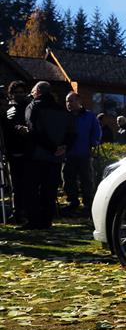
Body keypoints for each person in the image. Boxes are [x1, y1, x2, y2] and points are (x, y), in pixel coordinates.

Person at [24, 81, 74, 230]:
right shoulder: (62, 110)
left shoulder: (33, 106)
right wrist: (64, 147)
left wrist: (52, 148)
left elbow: (34, 130)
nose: (32, 94)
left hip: (37, 155)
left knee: (32, 189)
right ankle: (46, 221)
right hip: (56, 157)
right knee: (50, 190)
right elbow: (72, 132)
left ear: (38, 91)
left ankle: (33, 221)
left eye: (33, 91)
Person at [63, 92, 102, 214]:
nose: (68, 104)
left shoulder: (89, 116)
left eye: (71, 101)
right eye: (67, 101)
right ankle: (72, 201)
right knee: (68, 178)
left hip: (84, 153)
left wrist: (93, 142)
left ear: (79, 101)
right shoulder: (64, 116)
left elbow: (97, 131)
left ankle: (88, 203)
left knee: (86, 179)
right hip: (67, 154)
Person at [4, 82, 31, 224]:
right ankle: (17, 212)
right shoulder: (7, 110)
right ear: (11, 94)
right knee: (16, 185)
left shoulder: (29, 108)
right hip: (13, 152)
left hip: (28, 152)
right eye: (16, 92)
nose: (19, 94)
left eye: (21, 92)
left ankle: (27, 211)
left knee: (27, 184)